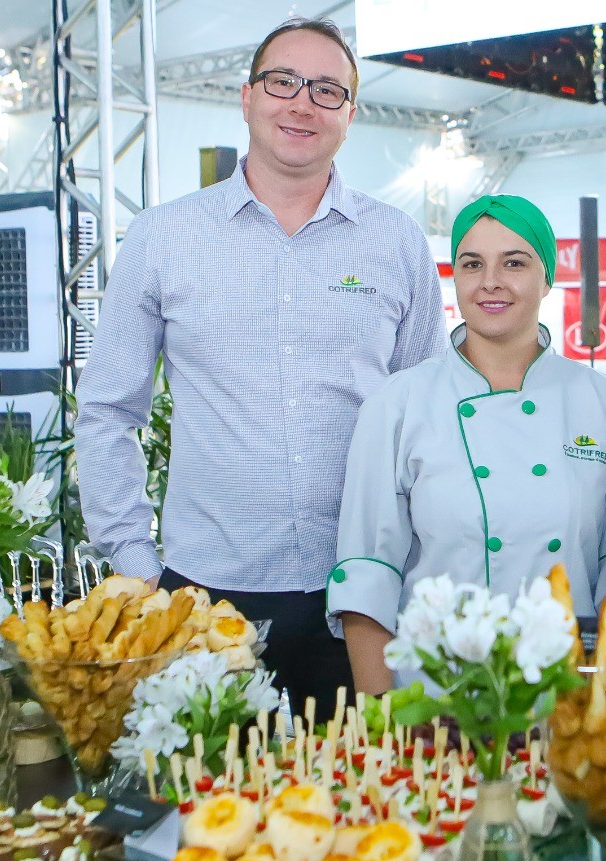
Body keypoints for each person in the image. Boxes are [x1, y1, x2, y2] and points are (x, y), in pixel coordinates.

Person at [74, 18, 446, 717]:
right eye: (284, 82)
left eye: (327, 90)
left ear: (350, 115)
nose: (302, 104)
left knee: (364, 804)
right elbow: (105, 411)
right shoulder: (163, 236)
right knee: (206, 806)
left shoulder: (394, 242)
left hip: (364, 595)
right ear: (247, 97)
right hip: (205, 600)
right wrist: (137, 568)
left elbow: (430, 417)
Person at [330, 196, 606, 693]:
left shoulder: (603, 404)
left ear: (548, 277)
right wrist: (382, 717)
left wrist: (604, 705)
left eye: (514, 262)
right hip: (435, 690)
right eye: (472, 264)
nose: (491, 281)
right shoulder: (399, 403)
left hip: (563, 692)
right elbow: (367, 573)